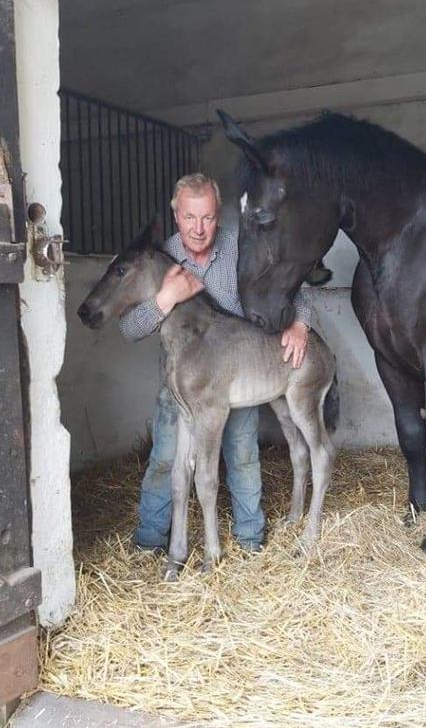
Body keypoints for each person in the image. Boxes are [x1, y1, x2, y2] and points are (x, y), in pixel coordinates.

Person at [120, 173, 312, 553]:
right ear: (177, 216)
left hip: (233, 375)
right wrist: (166, 298)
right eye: (190, 218)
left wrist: (301, 324)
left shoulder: (241, 250)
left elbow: (294, 289)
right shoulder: (161, 260)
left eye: (207, 217)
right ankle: (150, 541)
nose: (199, 228)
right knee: (164, 459)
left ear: (217, 216)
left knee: (242, 454)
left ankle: (250, 539)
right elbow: (129, 328)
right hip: (183, 383)